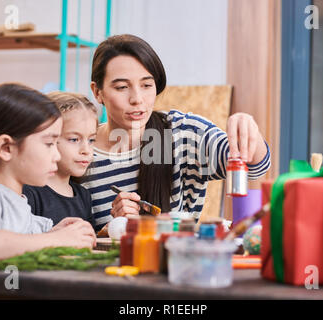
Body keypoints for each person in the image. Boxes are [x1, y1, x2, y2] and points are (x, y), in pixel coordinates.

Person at [82, 34, 271, 233]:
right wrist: (110, 230)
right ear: (97, 92)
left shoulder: (182, 134)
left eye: (146, 85)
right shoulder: (79, 152)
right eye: (121, 87)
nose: (137, 99)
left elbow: (256, 167)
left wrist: (247, 128)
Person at [0, 83, 96, 262]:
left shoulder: (19, 203)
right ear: (6, 148)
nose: (56, 154)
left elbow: (23, 241)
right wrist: (57, 239)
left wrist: (57, 231)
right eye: (48, 144)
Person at [22, 92, 98, 230]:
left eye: (91, 140)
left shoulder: (83, 195)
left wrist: (101, 235)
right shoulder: (28, 192)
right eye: (74, 139)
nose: (86, 150)